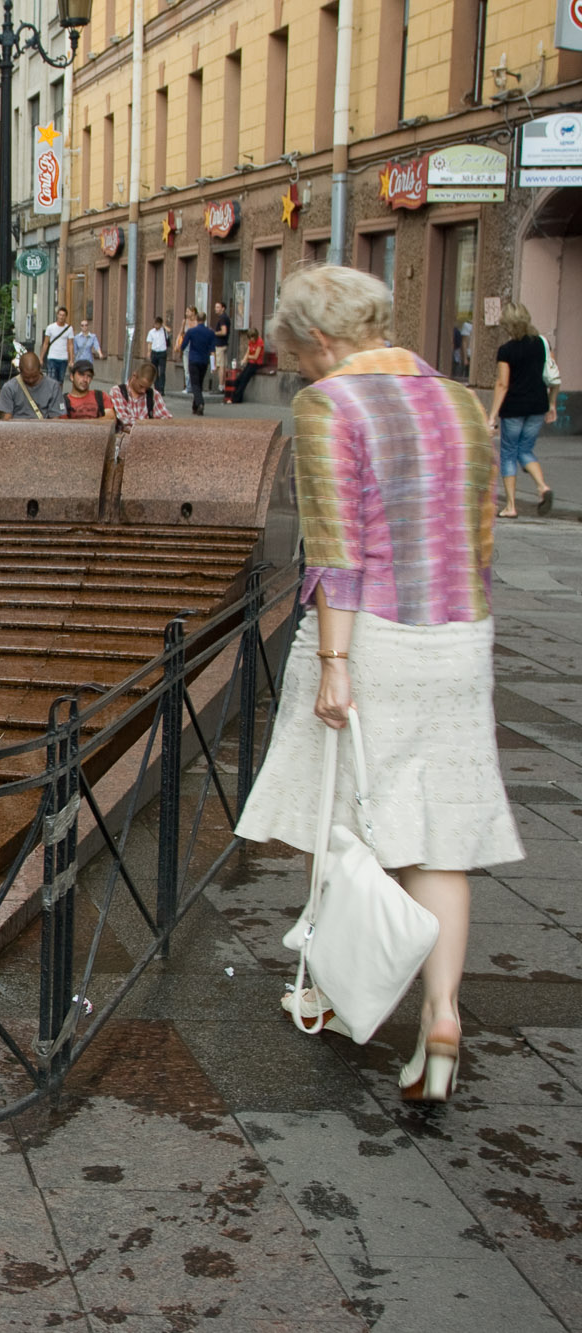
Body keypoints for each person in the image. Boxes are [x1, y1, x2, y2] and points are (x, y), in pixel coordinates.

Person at [236, 264, 522, 1105]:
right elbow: (482, 534)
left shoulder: (329, 405)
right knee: (440, 835)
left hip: (375, 639)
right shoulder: (462, 399)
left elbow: (336, 548)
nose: (295, 370)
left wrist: (332, 663)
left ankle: (329, 988)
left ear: (319, 341)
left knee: (345, 817)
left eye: (295, 354)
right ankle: (441, 1017)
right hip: (459, 633)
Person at [488, 302, 558, 518]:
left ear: (507, 325)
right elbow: (554, 376)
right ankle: (542, 487)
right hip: (538, 405)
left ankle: (510, 506)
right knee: (525, 450)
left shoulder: (506, 351)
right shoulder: (542, 344)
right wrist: (552, 404)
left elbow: (503, 384)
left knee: (509, 453)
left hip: (514, 408)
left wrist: (492, 416)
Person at [0, 352, 62, 421]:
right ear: (20, 371)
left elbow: (55, 418)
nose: (31, 380)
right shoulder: (9, 387)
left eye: (35, 376)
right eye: (26, 377)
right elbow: (7, 417)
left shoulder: (53, 387)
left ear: (40, 370)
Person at [108, 360, 173, 429]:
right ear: (134, 376)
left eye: (147, 388)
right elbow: (122, 419)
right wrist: (149, 423)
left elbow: (167, 419)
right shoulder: (117, 391)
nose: (143, 391)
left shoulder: (154, 394)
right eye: (141, 386)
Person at [178, 307, 217, 414]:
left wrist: (180, 352)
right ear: (204, 320)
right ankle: (195, 407)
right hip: (204, 361)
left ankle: (200, 403)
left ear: (197, 318)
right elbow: (212, 350)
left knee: (195, 384)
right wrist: (213, 366)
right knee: (199, 383)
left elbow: (184, 345)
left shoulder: (191, 331)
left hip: (193, 359)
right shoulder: (210, 332)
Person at [223, 328, 270, 405]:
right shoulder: (250, 342)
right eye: (250, 338)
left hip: (256, 364)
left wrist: (247, 357)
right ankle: (236, 398)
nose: (252, 340)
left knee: (244, 380)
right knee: (238, 379)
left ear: (255, 336)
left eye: (253, 338)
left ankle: (235, 399)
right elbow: (247, 352)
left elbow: (255, 356)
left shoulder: (259, 342)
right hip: (250, 363)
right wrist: (243, 360)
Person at [41, 306, 75, 384]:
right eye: (60, 315)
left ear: (66, 317)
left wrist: (71, 360)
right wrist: (41, 358)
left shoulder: (69, 328)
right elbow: (45, 343)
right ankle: (52, 395)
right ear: (57, 315)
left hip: (63, 358)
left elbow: (70, 345)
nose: (61, 317)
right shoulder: (50, 327)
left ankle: (58, 395)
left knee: (60, 380)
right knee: (52, 380)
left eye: (63, 315)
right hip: (52, 357)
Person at [147, 316, 170, 382]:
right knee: (155, 370)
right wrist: (149, 352)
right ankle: (157, 387)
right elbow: (149, 343)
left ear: (160, 324)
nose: (156, 325)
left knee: (162, 371)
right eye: (155, 324)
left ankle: (162, 389)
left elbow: (169, 330)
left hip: (162, 353)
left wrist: (163, 325)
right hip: (154, 352)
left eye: (158, 324)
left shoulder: (164, 331)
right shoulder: (151, 332)